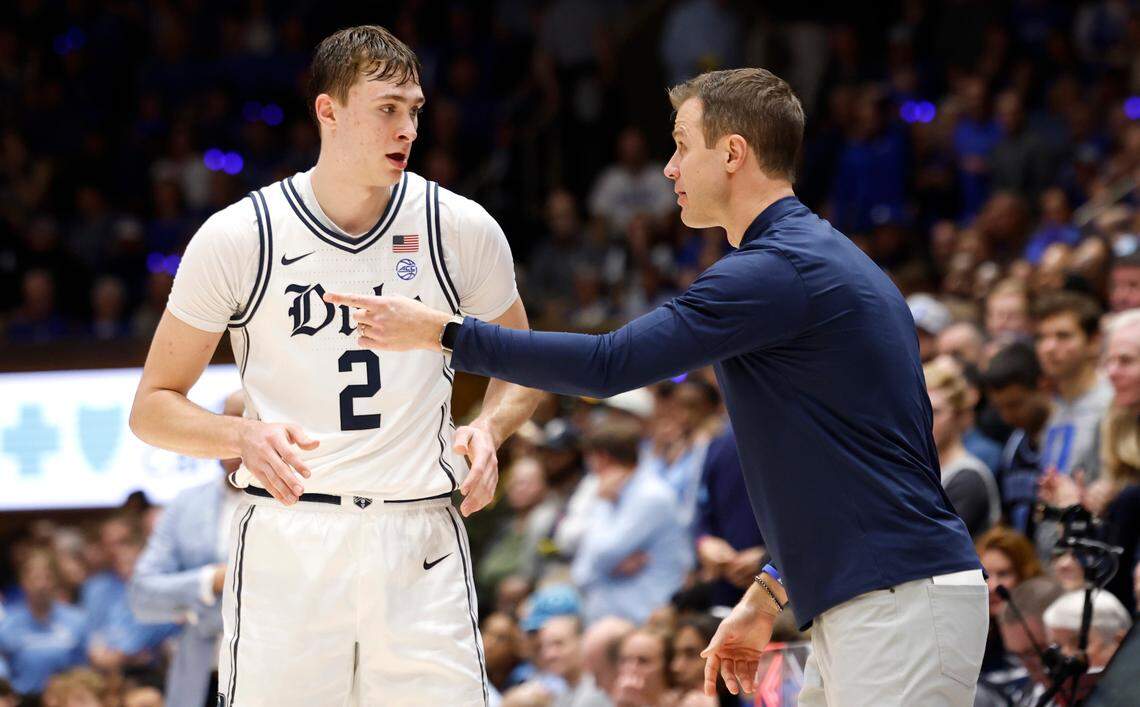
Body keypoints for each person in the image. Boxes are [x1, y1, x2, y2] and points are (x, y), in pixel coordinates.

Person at [330, 67, 988, 705]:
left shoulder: (776, 270)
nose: (669, 168)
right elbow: (859, 470)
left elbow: (608, 365)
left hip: (898, 599)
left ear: (732, 154)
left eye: (680, 146)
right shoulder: (808, 262)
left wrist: (446, 332)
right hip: (881, 597)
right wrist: (767, 593)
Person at [128, 25, 539, 705]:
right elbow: (152, 406)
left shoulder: (461, 228)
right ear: (328, 110)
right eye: (387, 108)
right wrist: (241, 436)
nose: (406, 126)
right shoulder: (242, 236)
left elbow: (523, 367)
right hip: (291, 538)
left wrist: (489, 429)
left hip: (418, 536)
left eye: (415, 109)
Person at [129, 390, 246, 707]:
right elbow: (142, 594)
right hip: (199, 678)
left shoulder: (299, 501)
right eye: (226, 421)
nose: (234, 432)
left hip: (272, 674)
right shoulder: (185, 505)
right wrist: (210, 581)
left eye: (246, 421)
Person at [569, 420, 691, 625]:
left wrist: (602, 504)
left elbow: (600, 555)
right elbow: (581, 573)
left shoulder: (651, 495)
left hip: (642, 617)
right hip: (613, 611)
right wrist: (606, 566)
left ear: (602, 458)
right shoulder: (621, 491)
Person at [1034, 291, 1112, 479]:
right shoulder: (1053, 406)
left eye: (1063, 336)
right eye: (1042, 337)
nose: (1049, 347)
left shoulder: (1110, 404)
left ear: (1094, 342)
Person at [925, 356, 1002, 537]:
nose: (926, 420)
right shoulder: (923, 471)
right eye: (922, 410)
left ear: (958, 415)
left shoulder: (969, 477)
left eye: (936, 412)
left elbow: (936, 543)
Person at [983, 342, 1052, 534]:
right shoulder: (1013, 446)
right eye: (1000, 408)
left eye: (1015, 405)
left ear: (1042, 386)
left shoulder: (1064, 437)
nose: (1007, 416)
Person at [0, 551, 88, 697]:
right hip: (23, 699)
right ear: (23, 582)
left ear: (56, 582)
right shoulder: (7, 624)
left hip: (66, 700)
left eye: (47, 578)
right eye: (34, 578)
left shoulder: (77, 620)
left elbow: (84, 666)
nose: (40, 585)